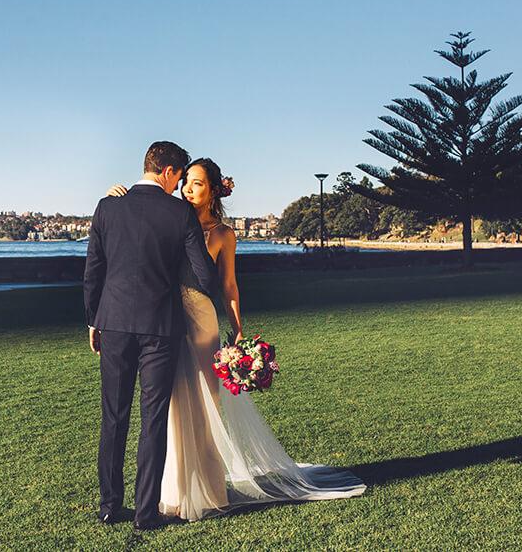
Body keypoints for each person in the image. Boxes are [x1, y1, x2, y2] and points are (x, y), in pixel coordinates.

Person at [105, 157, 366, 522]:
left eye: (196, 183)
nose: (186, 189)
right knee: (170, 410)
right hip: (163, 322)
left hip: (199, 322)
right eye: (185, 183)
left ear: (214, 190)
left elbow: (228, 285)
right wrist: (116, 196)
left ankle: (207, 490)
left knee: (204, 408)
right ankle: (172, 491)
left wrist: (239, 328)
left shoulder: (224, 234)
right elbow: (134, 227)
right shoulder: (170, 215)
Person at [84, 141, 219, 531]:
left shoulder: (108, 206)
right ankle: (146, 514)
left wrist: (94, 321)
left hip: (113, 323)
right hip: (161, 327)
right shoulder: (180, 213)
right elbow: (205, 276)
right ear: (169, 172)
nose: (179, 187)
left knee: (114, 417)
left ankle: (110, 505)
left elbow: (94, 269)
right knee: (153, 419)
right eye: (179, 178)